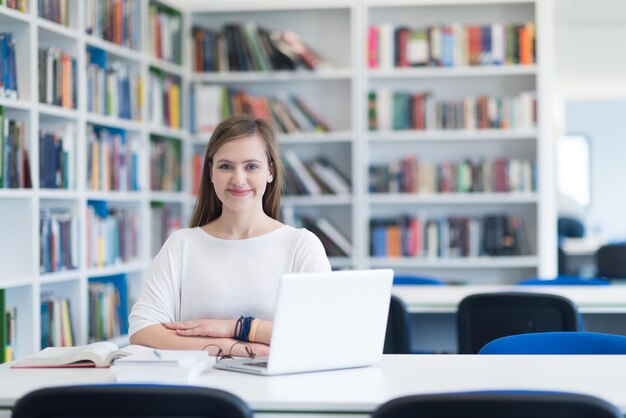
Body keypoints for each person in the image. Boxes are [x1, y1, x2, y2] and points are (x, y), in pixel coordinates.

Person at [129, 116, 331, 356]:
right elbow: (143, 330)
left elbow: (322, 333)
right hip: (200, 390)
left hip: (276, 390)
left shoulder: (301, 245)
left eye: (251, 166)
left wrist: (235, 327)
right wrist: (229, 347)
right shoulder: (181, 244)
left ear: (270, 171)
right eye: (226, 166)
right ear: (211, 173)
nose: (238, 179)